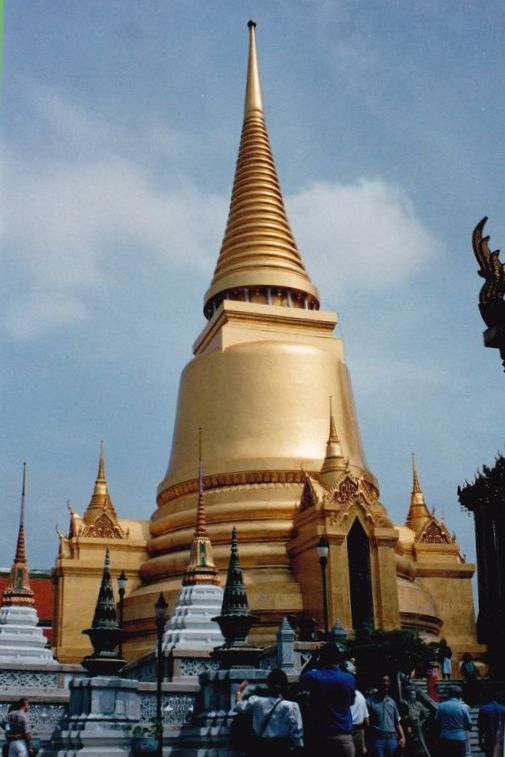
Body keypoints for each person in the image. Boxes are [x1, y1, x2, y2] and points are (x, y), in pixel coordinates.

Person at [300, 642, 356, 756]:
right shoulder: (349, 678)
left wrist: (314, 658)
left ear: (322, 658)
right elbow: (351, 702)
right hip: (344, 736)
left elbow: (302, 676)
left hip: (321, 736)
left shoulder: (313, 676)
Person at [235, 669, 303, 756]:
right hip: (282, 748)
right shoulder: (291, 706)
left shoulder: (256, 701)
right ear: (285, 685)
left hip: (262, 747)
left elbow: (239, 707)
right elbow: (297, 732)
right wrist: (299, 748)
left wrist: (239, 691)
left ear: (268, 684)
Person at [366, 674, 406, 757]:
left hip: (392, 739)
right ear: (379, 683)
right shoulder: (370, 701)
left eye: (387, 681)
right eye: (383, 681)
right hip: (378, 739)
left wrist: (402, 737)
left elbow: (397, 723)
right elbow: (366, 723)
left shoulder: (392, 702)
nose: (385, 683)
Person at [434, 685, 471, 757]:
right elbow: (469, 724)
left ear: (449, 694)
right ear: (460, 695)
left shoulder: (441, 706)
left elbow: (437, 722)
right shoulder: (463, 707)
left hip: (445, 737)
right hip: (459, 738)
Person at [400, 687, 431, 756]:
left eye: (414, 695)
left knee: (420, 743)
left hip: (417, 726)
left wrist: (422, 722)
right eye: (411, 695)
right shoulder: (406, 703)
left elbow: (427, 713)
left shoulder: (419, 704)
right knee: (409, 744)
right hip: (407, 726)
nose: (413, 696)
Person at [478, 692, 505, 757]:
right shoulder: (503, 708)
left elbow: (481, 727)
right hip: (501, 738)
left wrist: (480, 740)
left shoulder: (483, 709)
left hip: (489, 738)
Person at [351, 688, 369, 756]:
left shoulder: (343, 695)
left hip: (345, 732)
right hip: (358, 732)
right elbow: (367, 722)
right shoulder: (361, 696)